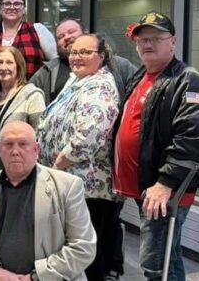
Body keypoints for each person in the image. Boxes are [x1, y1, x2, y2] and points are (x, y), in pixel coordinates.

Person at [114, 12, 199, 281]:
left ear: (173, 42)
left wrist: (165, 182)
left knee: (155, 262)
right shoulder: (140, 76)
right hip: (145, 186)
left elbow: (192, 137)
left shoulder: (189, 79)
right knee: (167, 257)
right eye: (142, 39)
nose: (147, 44)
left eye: (156, 38)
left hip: (164, 189)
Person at [0, 121, 96, 280]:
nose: (15, 151)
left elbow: (83, 247)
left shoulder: (68, 187)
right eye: (8, 144)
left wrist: (36, 276)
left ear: (36, 149)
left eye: (23, 144)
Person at [36, 33, 120, 281]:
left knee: (84, 254)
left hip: (86, 186)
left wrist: (59, 163)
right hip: (70, 182)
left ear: (101, 57)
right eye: (74, 52)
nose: (77, 57)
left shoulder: (101, 86)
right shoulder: (79, 80)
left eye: (85, 52)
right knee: (72, 251)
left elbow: (89, 135)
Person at [30, 18, 137, 105]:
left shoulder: (118, 65)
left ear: (86, 33)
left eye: (71, 32)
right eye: (60, 37)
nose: (67, 37)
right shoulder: (47, 72)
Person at [0, 46, 45, 176]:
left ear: (18, 66)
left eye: (9, 62)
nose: (3, 67)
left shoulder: (32, 95)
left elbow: (41, 136)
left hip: (20, 172)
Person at [0, 0, 57, 79]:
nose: (12, 7)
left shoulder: (38, 29)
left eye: (17, 4)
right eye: (7, 3)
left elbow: (55, 62)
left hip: (29, 89)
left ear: (24, 9)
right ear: (0, 8)